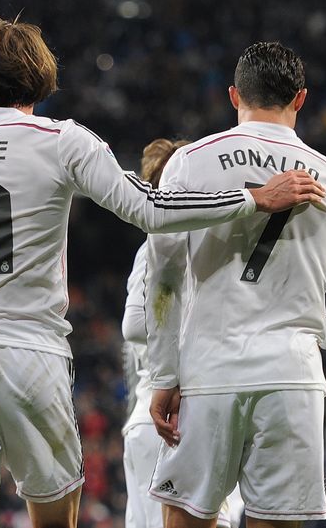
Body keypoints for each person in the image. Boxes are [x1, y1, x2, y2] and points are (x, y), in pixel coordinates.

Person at [0, 17, 324, 528]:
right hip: (32, 349)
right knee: (57, 513)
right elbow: (151, 209)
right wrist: (253, 198)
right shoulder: (62, 141)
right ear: (40, 74)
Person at [144, 41, 326, 528]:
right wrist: (312, 337)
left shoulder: (190, 162)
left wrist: (164, 374)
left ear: (234, 95)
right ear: (301, 99)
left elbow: (165, 280)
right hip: (291, 377)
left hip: (208, 372)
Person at [122, 139, 232, 528]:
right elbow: (135, 323)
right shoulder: (158, 247)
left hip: (195, 413)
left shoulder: (211, 244)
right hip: (167, 420)